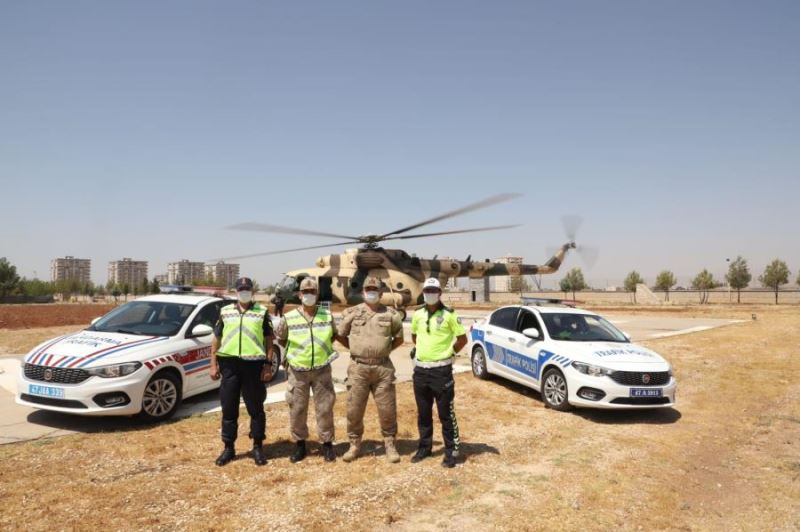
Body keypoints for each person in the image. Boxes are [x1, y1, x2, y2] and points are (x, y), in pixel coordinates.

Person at [337, 276, 404, 463]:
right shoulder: (351, 313)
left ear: (381, 293)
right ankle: (354, 444)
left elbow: (399, 338)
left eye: (375, 289)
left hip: (383, 368)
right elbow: (340, 335)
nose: (371, 292)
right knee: (354, 409)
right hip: (358, 368)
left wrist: (384, 351)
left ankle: (390, 444)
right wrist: (355, 350)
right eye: (368, 289)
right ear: (363, 292)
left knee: (387, 409)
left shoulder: (391, 314)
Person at [210, 277, 274, 466]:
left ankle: (258, 446)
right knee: (229, 408)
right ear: (236, 291)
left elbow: (269, 340)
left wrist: (268, 364)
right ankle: (228, 448)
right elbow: (216, 339)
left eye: (247, 289)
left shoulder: (261, 312)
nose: (244, 292)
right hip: (229, 365)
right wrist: (213, 364)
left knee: (255, 408)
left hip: (253, 366)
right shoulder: (225, 311)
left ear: (252, 292)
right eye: (241, 289)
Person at [275, 278, 338, 463]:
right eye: (305, 292)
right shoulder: (289, 317)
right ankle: (300, 444)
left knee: (325, 408)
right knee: (297, 409)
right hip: (298, 371)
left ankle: (327, 444)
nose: (309, 295)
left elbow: (333, 336)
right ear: (299, 294)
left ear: (317, 294)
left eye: (312, 291)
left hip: (322, 369)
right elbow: (282, 338)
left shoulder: (327, 316)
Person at [410, 277, 468, 468]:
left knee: (446, 414)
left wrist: (449, 353)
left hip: (441, 372)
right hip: (421, 371)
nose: (430, 294)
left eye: (433, 291)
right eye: (427, 291)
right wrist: (423, 352)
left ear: (440, 293)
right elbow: (415, 336)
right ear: (423, 293)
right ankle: (425, 448)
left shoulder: (450, 314)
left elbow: (462, 339)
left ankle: (451, 451)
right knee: (423, 414)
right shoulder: (417, 314)